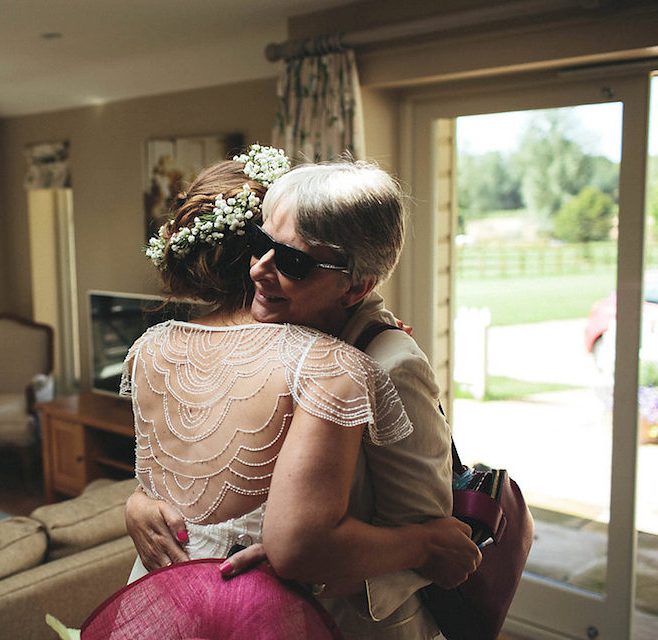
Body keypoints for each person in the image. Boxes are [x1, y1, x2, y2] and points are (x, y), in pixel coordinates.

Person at [123, 147, 479, 620]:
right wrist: (140, 503)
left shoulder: (391, 366)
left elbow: (432, 540)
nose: (258, 269)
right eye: (259, 242)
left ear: (355, 288)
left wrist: (309, 563)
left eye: (293, 262)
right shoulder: (260, 341)